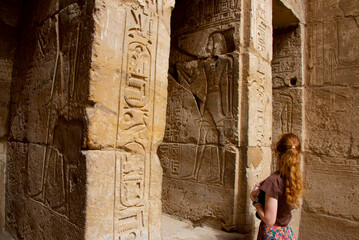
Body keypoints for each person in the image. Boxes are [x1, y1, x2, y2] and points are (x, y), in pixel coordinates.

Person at [250, 133, 302, 239]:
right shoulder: (293, 178)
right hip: (285, 232)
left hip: (272, 234)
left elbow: (270, 220)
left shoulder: (274, 181)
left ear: (276, 151)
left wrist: (255, 200)